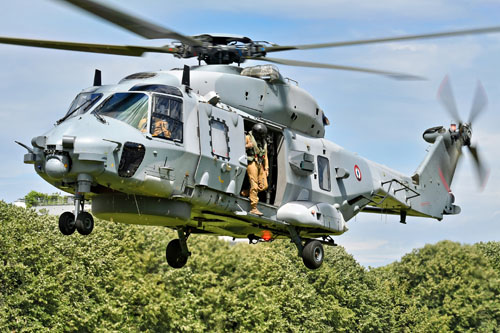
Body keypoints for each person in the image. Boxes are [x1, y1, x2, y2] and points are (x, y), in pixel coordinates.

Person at [242, 123, 269, 216]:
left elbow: (265, 156)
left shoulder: (263, 142)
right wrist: (246, 147)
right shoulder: (247, 138)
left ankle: (246, 192)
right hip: (252, 162)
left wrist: (266, 168)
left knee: (264, 186)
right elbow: (238, 148)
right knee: (254, 184)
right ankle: (254, 208)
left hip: (260, 163)